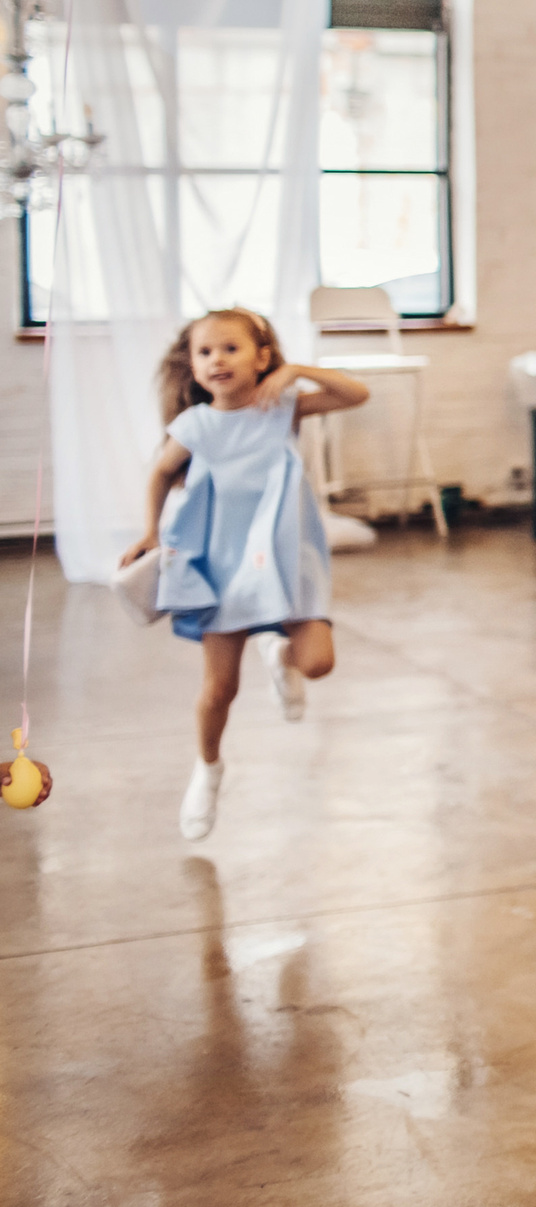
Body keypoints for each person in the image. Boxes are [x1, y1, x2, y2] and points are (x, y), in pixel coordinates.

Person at [119, 309, 370, 840]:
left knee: (319, 663)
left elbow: (356, 394)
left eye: (230, 348)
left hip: (286, 560)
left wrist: (299, 369)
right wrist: (150, 532)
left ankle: (279, 653)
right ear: (191, 365)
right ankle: (209, 768)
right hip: (223, 568)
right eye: (204, 352)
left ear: (261, 358)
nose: (216, 360)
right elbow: (161, 473)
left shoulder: (282, 409)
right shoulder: (196, 426)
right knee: (219, 690)